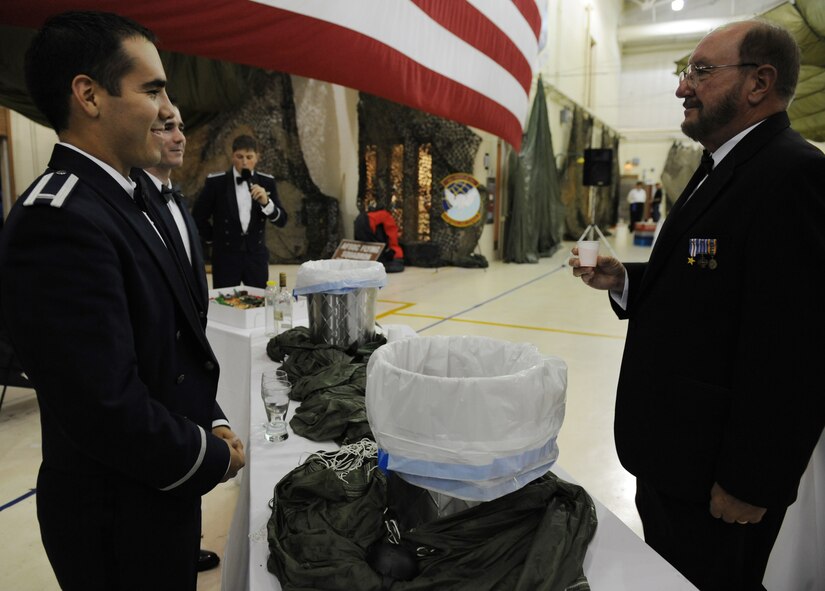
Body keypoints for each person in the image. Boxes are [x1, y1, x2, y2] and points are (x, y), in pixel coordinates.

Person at [570, 19, 825, 591]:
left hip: (717, 480)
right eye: (686, 71)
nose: (683, 86)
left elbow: (796, 350)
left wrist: (751, 481)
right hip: (675, 457)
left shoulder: (793, 175)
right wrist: (626, 280)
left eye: (701, 71)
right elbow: (712, 288)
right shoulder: (721, 166)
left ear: (759, 83)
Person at [0, 11, 244, 590]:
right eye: (152, 88)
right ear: (88, 95)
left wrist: (209, 419)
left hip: (155, 490)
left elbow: (170, 350)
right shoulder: (60, 220)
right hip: (113, 512)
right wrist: (208, 456)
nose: (169, 109)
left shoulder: (126, 199)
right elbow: (102, 404)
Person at [134, 105, 241, 573]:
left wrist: (211, 416)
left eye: (180, 127)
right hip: (142, 440)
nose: (179, 137)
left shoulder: (174, 201)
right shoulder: (128, 209)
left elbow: (188, 333)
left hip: (179, 416)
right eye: (165, 127)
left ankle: (183, 541)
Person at [192, 135, 287, 288]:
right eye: (239, 156)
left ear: (257, 158)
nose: (244, 162)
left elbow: (282, 220)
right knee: (225, 305)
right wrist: (214, 238)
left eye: (249, 157)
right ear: (232, 156)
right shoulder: (216, 182)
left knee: (259, 307)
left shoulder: (266, 182)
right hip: (225, 257)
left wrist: (266, 203)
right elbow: (197, 218)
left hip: (256, 257)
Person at [353, 199, 405, 273]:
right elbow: (392, 236)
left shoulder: (364, 215)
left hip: (362, 228)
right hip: (370, 226)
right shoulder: (385, 215)